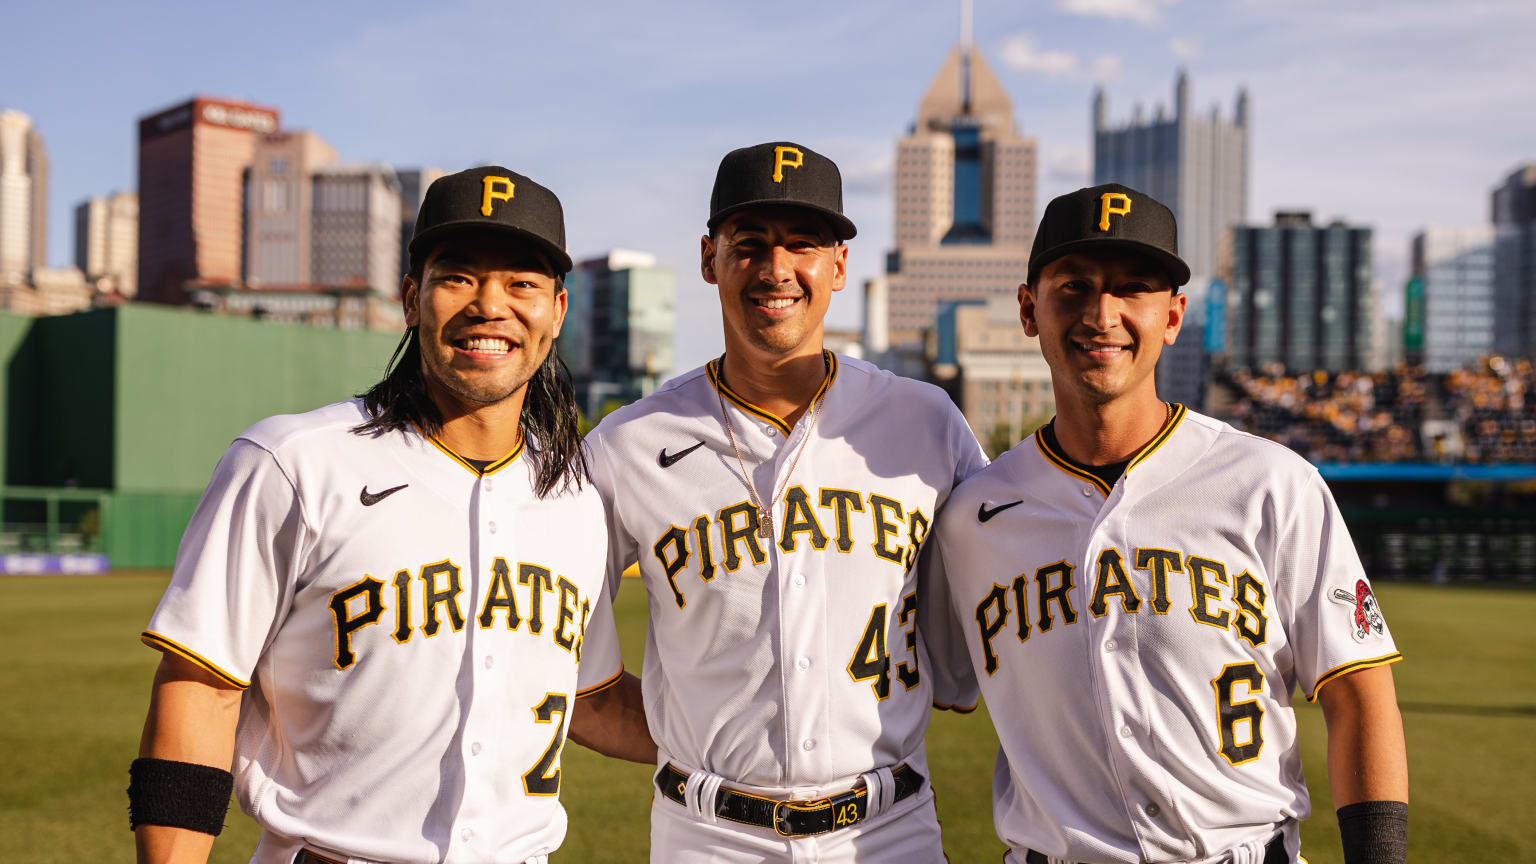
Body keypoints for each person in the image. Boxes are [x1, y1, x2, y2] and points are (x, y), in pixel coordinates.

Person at [130, 166, 653, 864]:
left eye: (521, 283)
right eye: (458, 277)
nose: (489, 305)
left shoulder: (575, 501)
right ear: (413, 299)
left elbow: (590, 697)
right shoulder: (293, 462)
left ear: (557, 313)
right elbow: (201, 690)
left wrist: (770, 751)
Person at [928, 183, 1409, 864]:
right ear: (1028, 308)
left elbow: (1359, 693)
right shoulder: (973, 517)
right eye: (1074, 286)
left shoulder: (1270, 481)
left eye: (1134, 288)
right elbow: (926, 685)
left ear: (1174, 316)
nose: (1103, 313)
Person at [578, 141, 986, 862]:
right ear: (710, 260)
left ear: (838, 266)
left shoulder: (926, 423)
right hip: (706, 837)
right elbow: (562, 664)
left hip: (887, 833)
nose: (776, 269)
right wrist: (691, 737)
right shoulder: (629, 444)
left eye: (802, 244)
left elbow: (981, 652)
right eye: (750, 245)